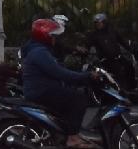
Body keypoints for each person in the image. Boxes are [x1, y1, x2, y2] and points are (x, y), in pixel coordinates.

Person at [20, 16, 97, 148]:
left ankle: (61, 133)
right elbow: (60, 73)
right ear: (45, 36)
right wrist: (86, 76)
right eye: (53, 36)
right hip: (42, 92)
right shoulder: (40, 52)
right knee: (79, 98)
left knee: (69, 94)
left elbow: (58, 71)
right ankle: (72, 137)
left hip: (40, 90)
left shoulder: (36, 49)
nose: (55, 39)